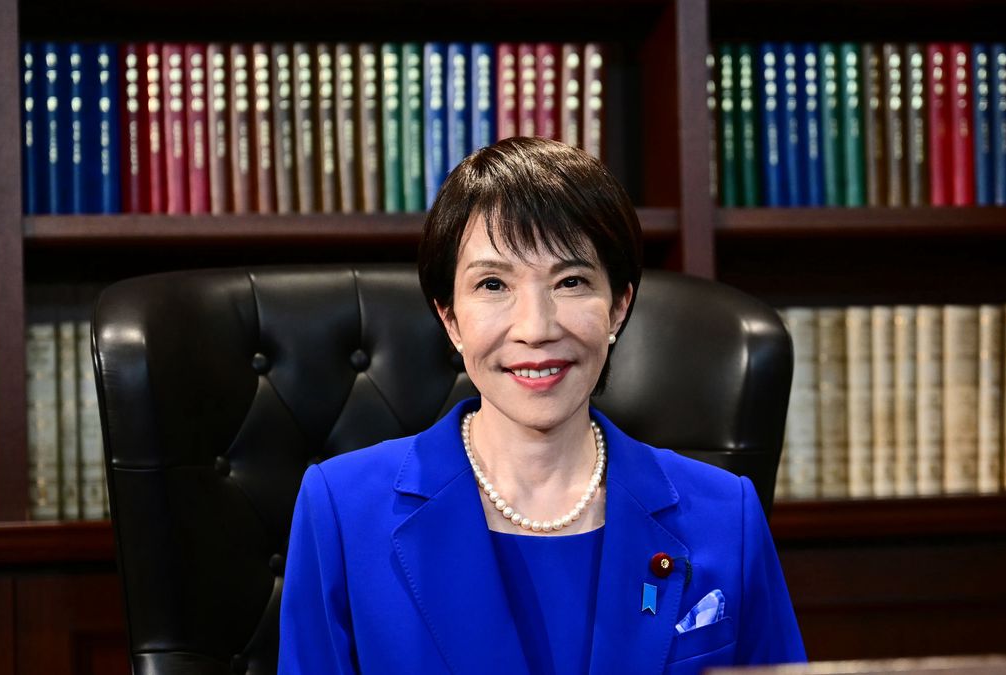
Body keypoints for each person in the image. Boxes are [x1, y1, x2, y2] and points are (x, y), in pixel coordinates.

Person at [277, 137, 805, 674]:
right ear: (450, 319)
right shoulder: (341, 510)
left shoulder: (727, 513)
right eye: (493, 284)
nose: (536, 328)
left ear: (618, 307)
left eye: (571, 282)